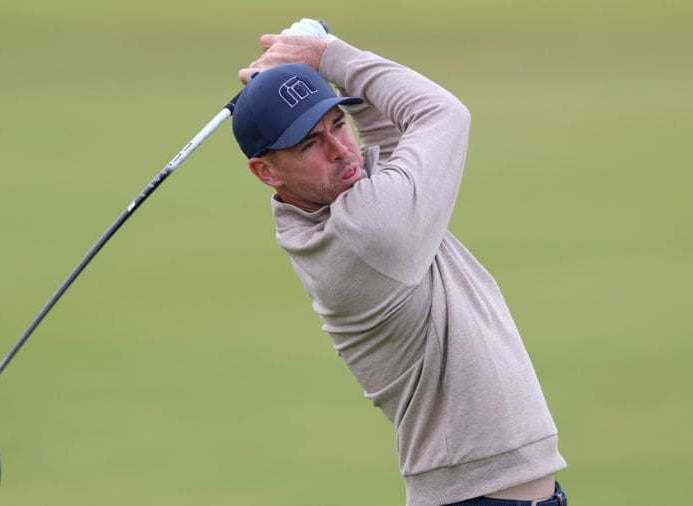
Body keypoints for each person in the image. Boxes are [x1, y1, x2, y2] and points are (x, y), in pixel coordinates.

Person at [231, 20, 567, 506]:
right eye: (308, 144)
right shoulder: (368, 230)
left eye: (338, 123)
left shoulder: (332, 209)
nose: (340, 150)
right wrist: (330, 56)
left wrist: (331, 73)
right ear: (266, 171)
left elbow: (386, 132)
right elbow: (442, 115)